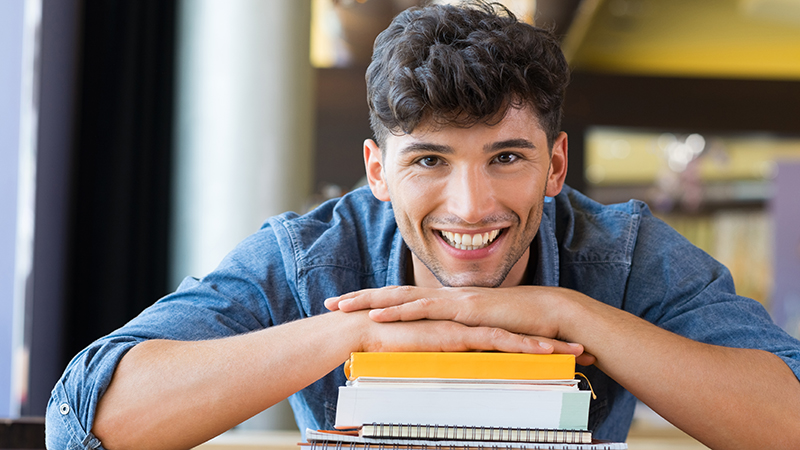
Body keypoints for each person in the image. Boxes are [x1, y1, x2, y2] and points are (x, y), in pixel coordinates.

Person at [46, 2, 800, 449]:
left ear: (557, 164)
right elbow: (85, 420)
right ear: (377, 170)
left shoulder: (621, 251)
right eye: (430, 161)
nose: (471, 206)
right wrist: (355, 334)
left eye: (506, 156)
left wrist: (571, 312)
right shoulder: (315, 255)